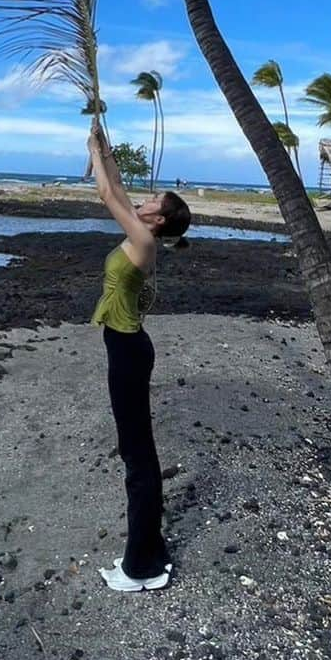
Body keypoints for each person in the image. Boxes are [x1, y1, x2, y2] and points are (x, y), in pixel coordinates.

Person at [87, 126, 191, 592]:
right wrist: (105, 147)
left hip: (127, 351)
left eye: (155, 200)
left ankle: (140, 569)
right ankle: (150, 551)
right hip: (129, 347)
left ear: (160, 219)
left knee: (137, 456)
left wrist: (91, 151)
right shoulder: (142, 231)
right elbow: (120, 190)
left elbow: (108, 195)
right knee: (139, 452)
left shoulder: (145, 242)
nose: (145, 200)